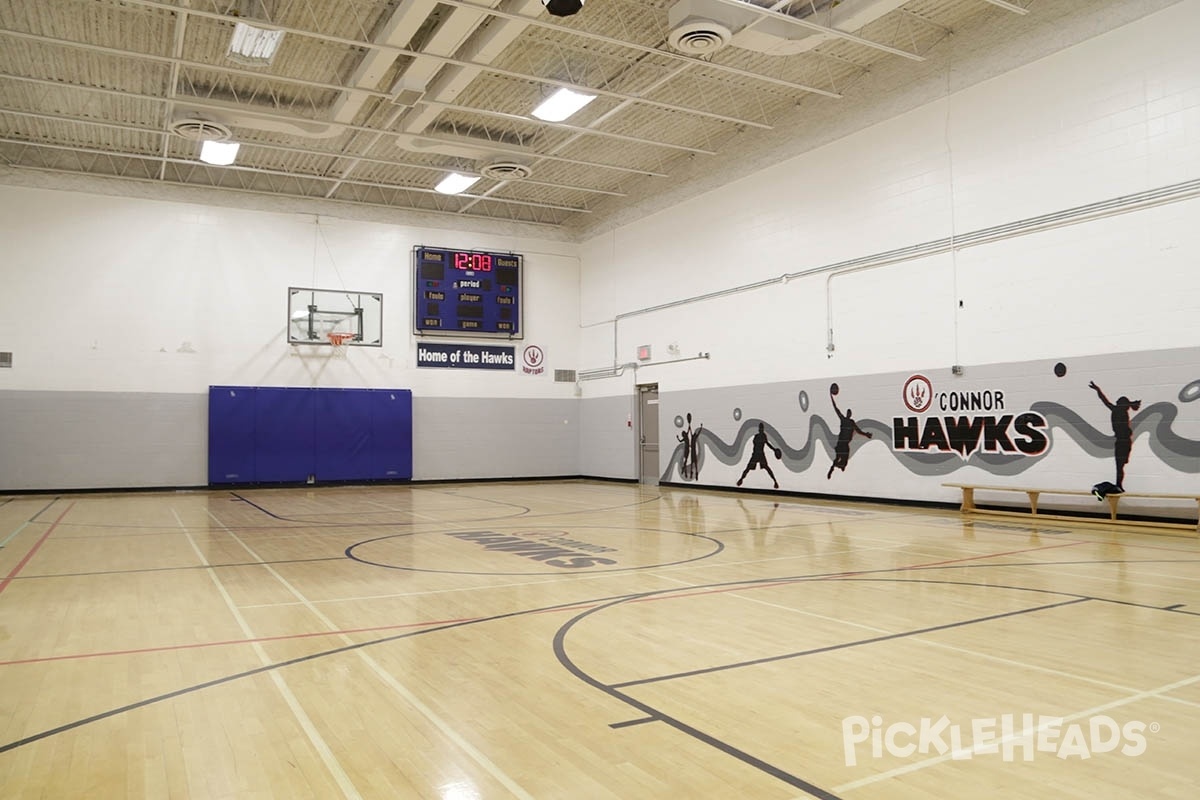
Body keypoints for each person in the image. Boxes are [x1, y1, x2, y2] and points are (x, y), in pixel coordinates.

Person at [1089, 381, 1141, 490]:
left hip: (1123, 441)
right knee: (1120, 465)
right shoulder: (1120, 409)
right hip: (1123, 440)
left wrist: (1098, 390)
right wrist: (1098, 390)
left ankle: (1119, 485)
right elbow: (1105, 400)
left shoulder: (1117, 409)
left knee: (1120, 465)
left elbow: (1105, 401)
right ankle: (1119, 485)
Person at [827, 391, 872, 479]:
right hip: (841, 443)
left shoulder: (852, 423)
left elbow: (858, 430)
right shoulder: (843, 419)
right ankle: (833, 467)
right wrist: (831, 397)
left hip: (845, 444)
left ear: (851, 414)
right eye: (848, 412)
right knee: (838, 458)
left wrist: (866, 434)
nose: (848, 414)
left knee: (844, 461)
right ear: (847, 414)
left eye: (849, 413)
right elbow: (836, 409)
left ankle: (837, 466)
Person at [737, 422, 779, 489]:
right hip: (756, 454)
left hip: (759, 454)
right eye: (760, 428)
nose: (761, 429)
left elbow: (767, 444)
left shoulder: (761, 436)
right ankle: (741, 479)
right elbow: (766, 444)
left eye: (761, 428)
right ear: (759, 429)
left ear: (762, 429)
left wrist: (774, 449)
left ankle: (775, 481)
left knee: (766, 468)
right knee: (749, 468)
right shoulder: (757, 436)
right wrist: (774, 449)